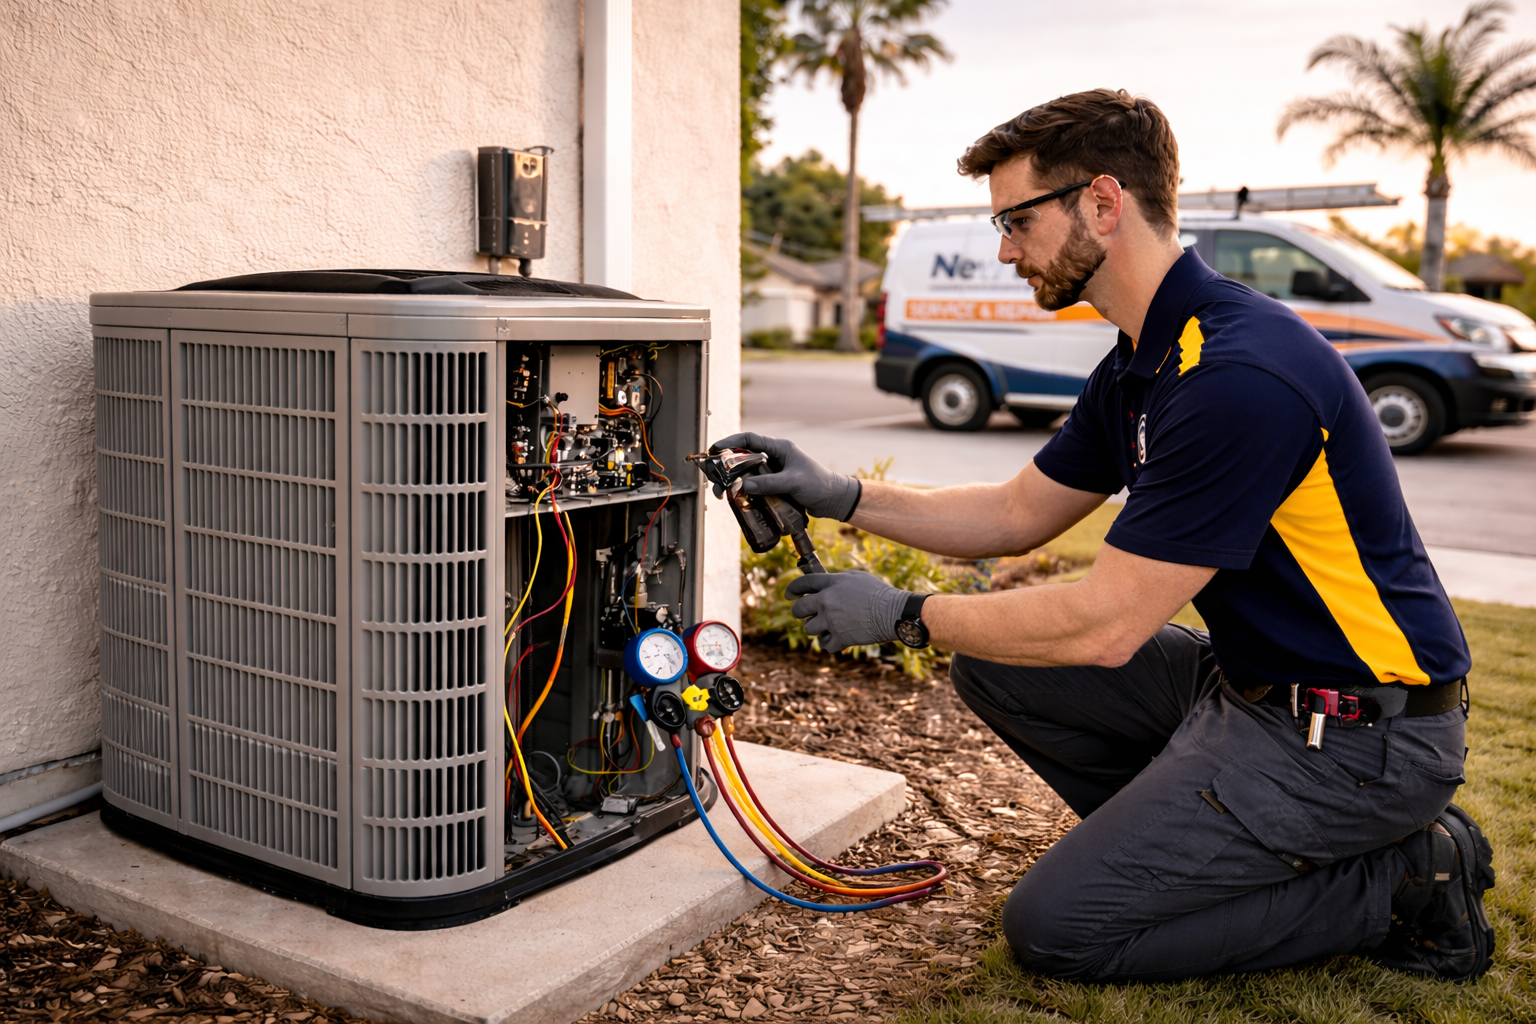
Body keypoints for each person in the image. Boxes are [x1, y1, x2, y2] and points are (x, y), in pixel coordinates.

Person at [710, 88, 1496, 983]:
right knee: (996, 663)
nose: (1004, 248)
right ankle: (1188, 858)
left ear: (1103, 203)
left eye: (1015, 220)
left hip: (1360, 736)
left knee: (1059, 930)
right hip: (1249, 689)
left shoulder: (1237, 374)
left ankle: (1405, 876)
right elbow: (1014, 514)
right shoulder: (1142, 360)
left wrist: (904, 614)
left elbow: (1106, 623)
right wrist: (839, 493)